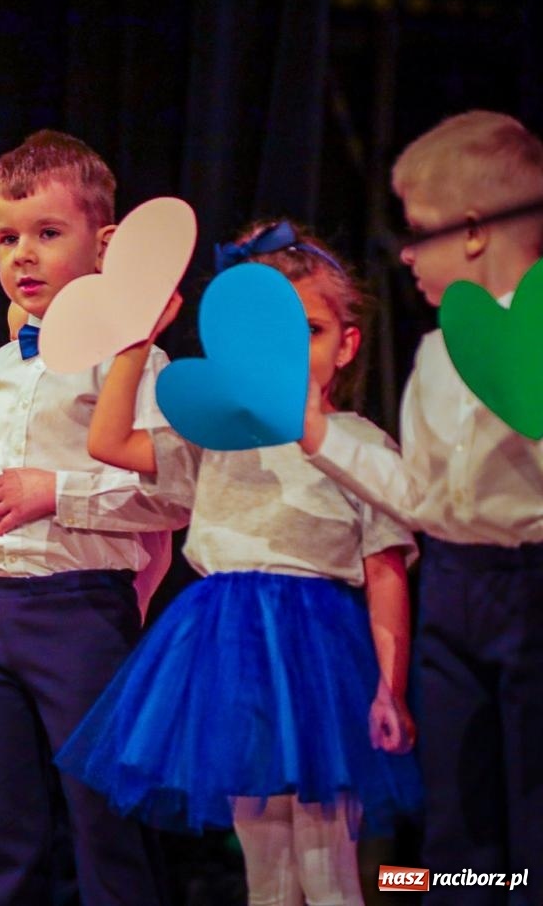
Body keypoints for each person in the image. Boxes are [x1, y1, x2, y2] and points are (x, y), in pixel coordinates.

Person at [63, 219, 422, 905]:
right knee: (266, 872)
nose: (288, 347)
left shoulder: (359, 447)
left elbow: (386, 572)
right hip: (228, 647)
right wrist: (135, 345)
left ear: (347, 346)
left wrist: (389, 688)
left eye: (310, 330)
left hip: (317, 656)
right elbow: (108, 442)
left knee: (327, 868)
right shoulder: (216, 435)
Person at [301, 110, 543, 904]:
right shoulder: (436, 353)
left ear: (473, 231)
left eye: (418, 229)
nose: (404, 252)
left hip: (532, 589)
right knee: (456, 813)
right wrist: (317, 433)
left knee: (531, 805)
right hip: (453, 589)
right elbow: (421, 496)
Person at [0, 130, 186, 905]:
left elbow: (172, 494)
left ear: (105, 244)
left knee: (105, 824)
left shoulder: (134, 360)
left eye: (48, 233)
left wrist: (55, 492)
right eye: (7, 237)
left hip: (78, 610)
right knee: (0, 833)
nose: (23, 255)